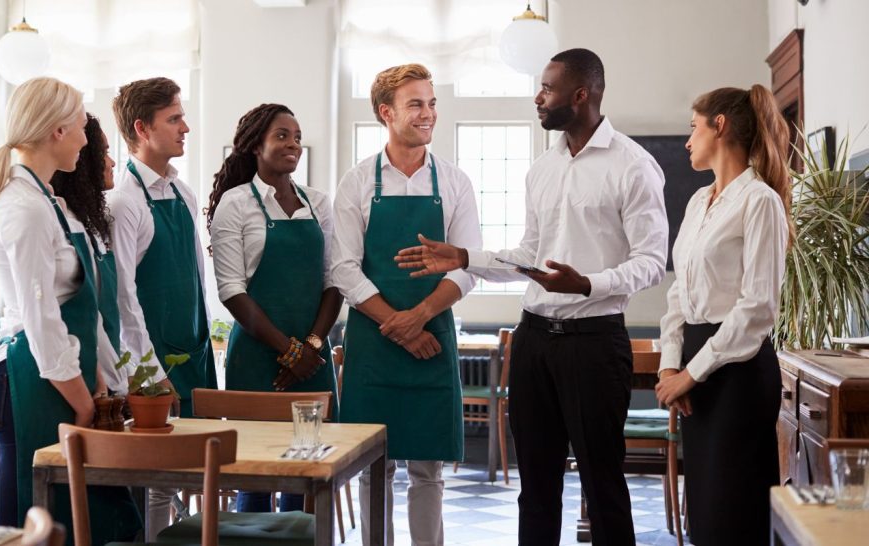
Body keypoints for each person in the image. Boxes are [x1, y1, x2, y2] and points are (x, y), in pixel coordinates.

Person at [395, 49, 668, 545]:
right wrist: (463, 257)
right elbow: (529, 255)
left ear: (580, 95)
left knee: (603, 485)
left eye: (547, 88)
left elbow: (652, 261)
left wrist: (586, 284)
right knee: (535, 487)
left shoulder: (633, 165)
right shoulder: (543, 167)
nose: (537, 98)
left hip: (594, 343)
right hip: (534, 340)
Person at [0, 77, 141, 540]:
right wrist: (84, 405)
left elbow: (78, 311)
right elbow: (42, 323)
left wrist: (98, 380)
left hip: (64, 380)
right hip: (34, 381)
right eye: (81, 127)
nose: (86, 140)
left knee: (88, 516)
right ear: (57, 132)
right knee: (39, 519)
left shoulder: (50, 202)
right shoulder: (24, 209)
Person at [331, 63, 482, 546]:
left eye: (432, 103)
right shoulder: (357, 182)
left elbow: (466, 266)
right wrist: (396, 325)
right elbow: (343, 268)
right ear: (386, 112)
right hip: (373, 344)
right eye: (415, 104)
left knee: (428, 469)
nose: (428, 113)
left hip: (432, 336)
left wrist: (418, 318)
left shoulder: (454, 182)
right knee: (374, 467)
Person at [654, 85, 790, 546]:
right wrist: (670, 366)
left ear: (720, 125)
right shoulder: (698, 201)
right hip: (696, 367)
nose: (687, 140)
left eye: (693, 127)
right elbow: (680, 291)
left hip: (738, 374)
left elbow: (758, 307)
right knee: (706, 517)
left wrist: (691, 373)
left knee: (734, 515)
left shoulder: (760, 201)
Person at [209, 103, 343, 513]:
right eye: (282, 135)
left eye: (297, 137)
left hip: (313, 360)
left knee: (308, 475)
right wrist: (288, 350)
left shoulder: (318, 203)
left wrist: (310, 347)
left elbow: (334, 280)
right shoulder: (235, 204)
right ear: (256, 146)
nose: (293, 144)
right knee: (255, 475)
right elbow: (232, 291)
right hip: (256, 357)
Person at [108, 76, 216, 539]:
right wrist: (151, 372)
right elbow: (123, 297)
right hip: (154, 365)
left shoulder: (183, 192)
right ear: (142, 128)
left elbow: (195, 281)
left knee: (193, 474)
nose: (185, 127)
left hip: (193, 352)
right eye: (174, 119)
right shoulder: (123, 201)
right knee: (156, 482)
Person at [51, 112, 127, 394]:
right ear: (85, 161)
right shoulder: (69, 226)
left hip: (110, 376)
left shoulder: (92, 225)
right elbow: (91, 321)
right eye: (104, 153)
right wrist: (116, 380)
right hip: (91, 380)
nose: (112, 162)